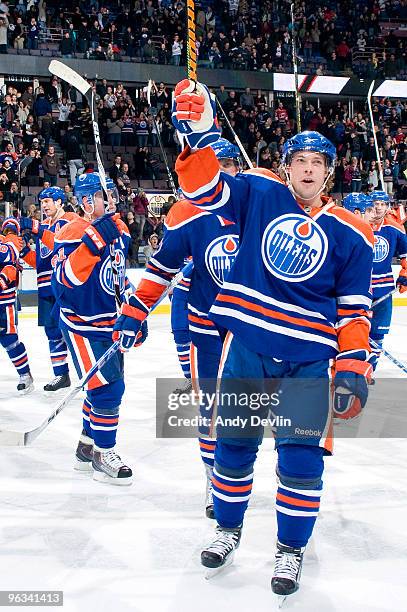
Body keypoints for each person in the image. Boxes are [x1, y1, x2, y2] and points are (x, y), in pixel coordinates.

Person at [150, 79, 373, 599]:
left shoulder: (353, 231)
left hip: (309, 361)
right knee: (232, 447)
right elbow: (203, 189)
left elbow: (355, 309)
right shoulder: (258, 193)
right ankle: (227, 530)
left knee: (299, 460)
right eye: (300, 161)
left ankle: (290, 550)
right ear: (286, 166)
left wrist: (353, 366)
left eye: (319, 163)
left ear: (330, 172)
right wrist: (201, 130)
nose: (309, 170)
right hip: (248, 345)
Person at [112, 137, 241, 519]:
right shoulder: (186, 212)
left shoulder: (261, 202)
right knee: (212, 407)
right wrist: (136, 310)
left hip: (254, 328)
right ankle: (214, 479)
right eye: (214, 169)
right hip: (207, 325)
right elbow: (161, 268)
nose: (221, 176)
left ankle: (274, 477)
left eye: (228, 166)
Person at [51, 172, 144, 484]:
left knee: (101, 388)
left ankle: (86, 447)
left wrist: (133, 312)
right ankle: (104, 453)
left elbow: (119, 277)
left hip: (110, 323)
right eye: (106, 195)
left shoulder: (119, 229)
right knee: (108, 389)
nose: (113, 200)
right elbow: (65, 281)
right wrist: (92, 243)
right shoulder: (72, 230)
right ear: (87, 201)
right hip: (81, 324)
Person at [20, 187, 74, 393]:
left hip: (63, 285)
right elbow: (42, 262)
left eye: (48, 201)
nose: (44, 205)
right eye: (42, 201)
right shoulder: (44, 226)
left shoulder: (68, 220)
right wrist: (24, 251)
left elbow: (61, 244)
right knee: (52, 332)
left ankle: (90, 373)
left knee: (73, 330)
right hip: (45, 287)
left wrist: (36, 228)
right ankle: (61, 374)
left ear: (60, 202)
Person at [363, 191, 407, 370]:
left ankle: (369, 369)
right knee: (354, 332)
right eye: (376, 203)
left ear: (388, 207)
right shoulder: (359, 225)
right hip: (359, 290)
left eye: (382, 204)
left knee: (378, 334)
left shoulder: (395, 228)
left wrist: (404, 274)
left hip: (384, 291)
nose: (378, 207)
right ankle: (353, 368)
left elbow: (406, 256)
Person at [0, 217, 34, 393]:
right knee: (10, 342)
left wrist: (2, 280)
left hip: (4, 302)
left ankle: (25, 375)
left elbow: (10, 268)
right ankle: (25, 375)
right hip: (6, 300)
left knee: (10, 340)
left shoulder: (10, 244)